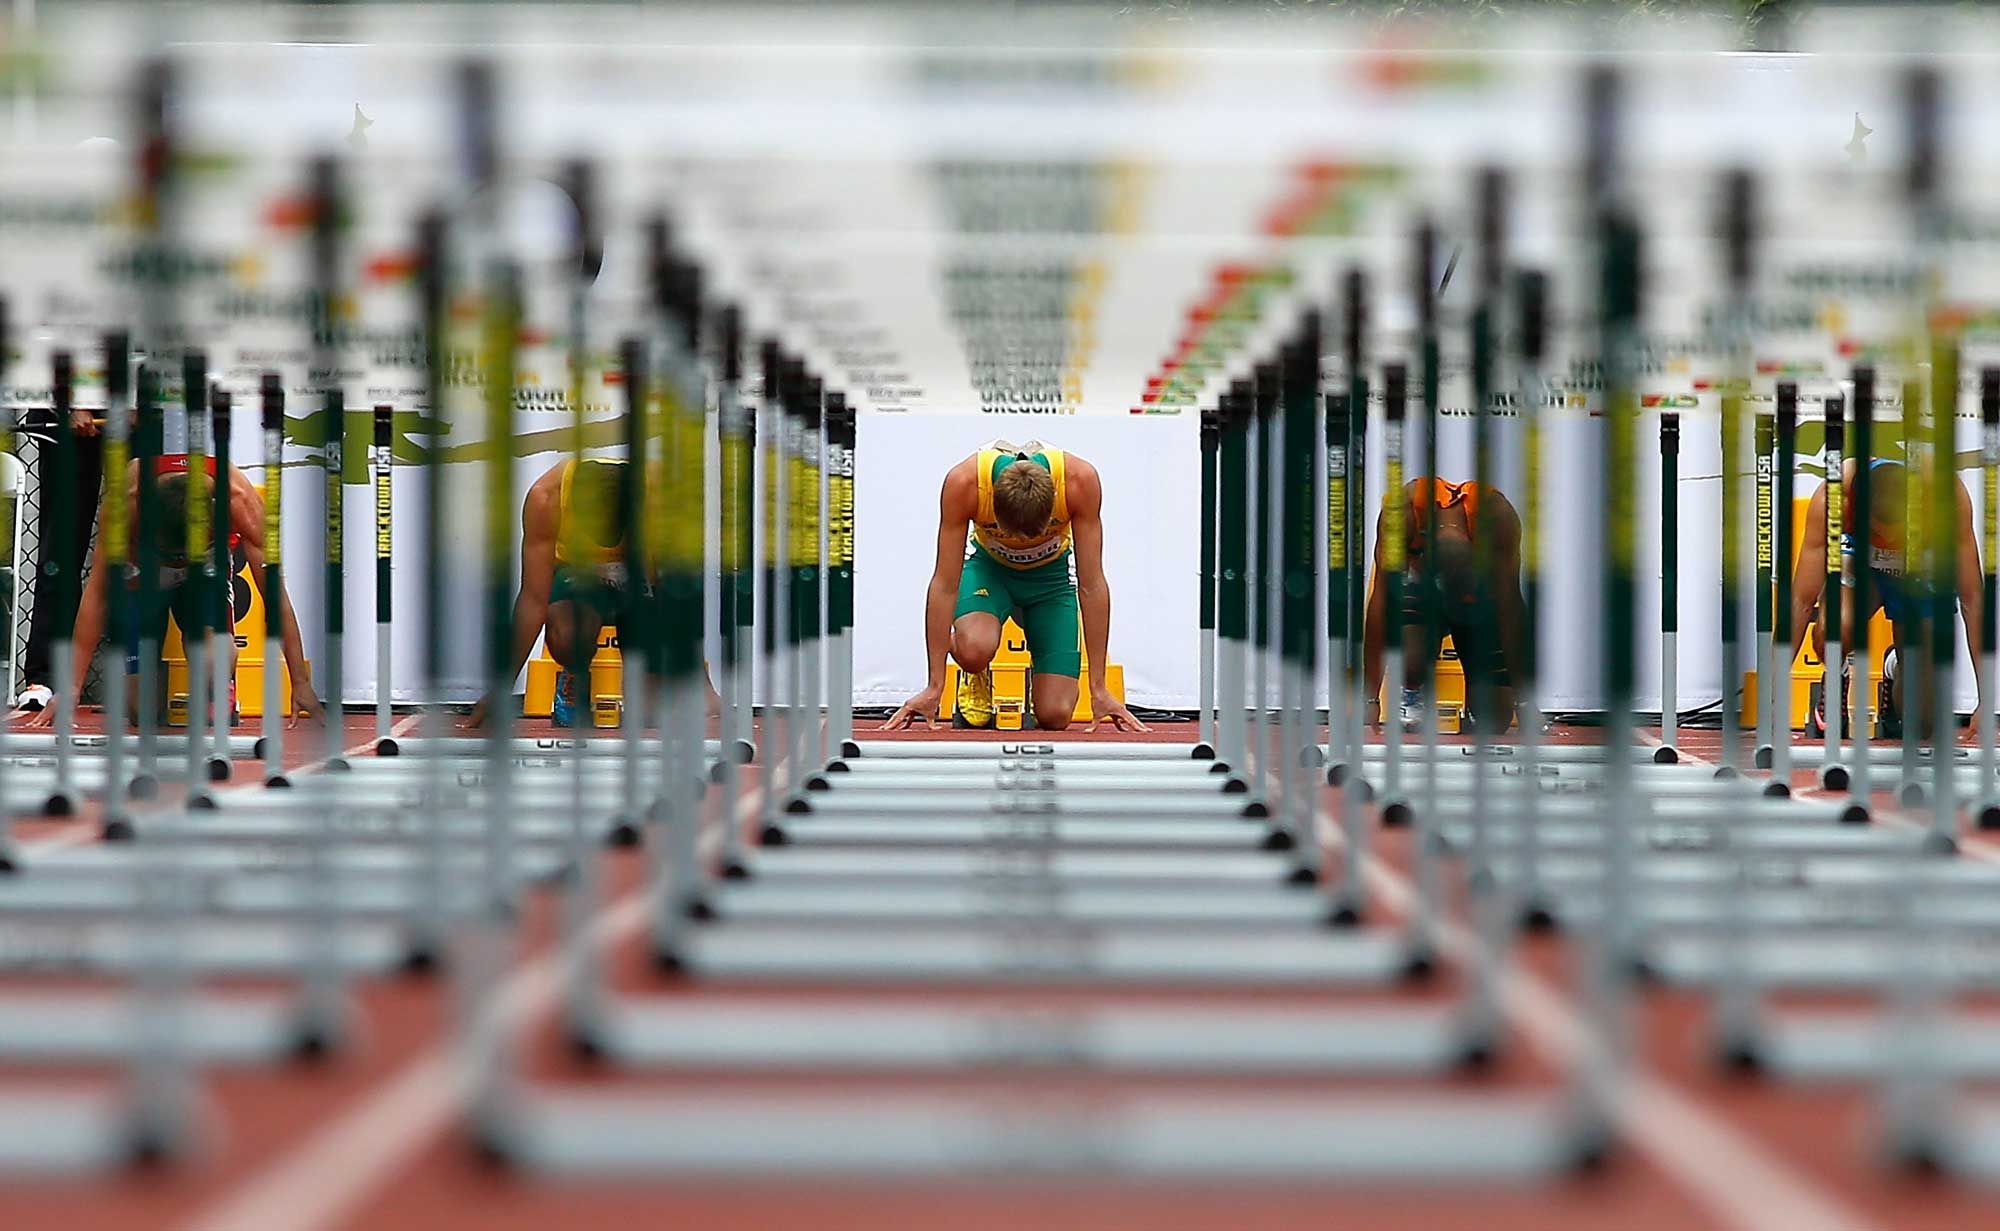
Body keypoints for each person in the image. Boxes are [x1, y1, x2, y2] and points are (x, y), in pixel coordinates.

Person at [27, 452, 323, 728]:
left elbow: (274, 596)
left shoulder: (239, 500)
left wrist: (300, 681)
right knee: (140, 711)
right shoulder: (125, 504)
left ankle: (215, 690)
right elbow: (97, 595)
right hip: (144, 569)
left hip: (204, 567)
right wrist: (71, 688)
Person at [885, 440, 1147, 732]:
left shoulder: (1079, 481)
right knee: (975, 648)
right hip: (990, 573)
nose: (1022, 543)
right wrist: (934, 686)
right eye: (1014, 534)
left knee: (1056, 715)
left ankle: (1044, 673)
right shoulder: (965, 483)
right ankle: (976, 671)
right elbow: (945, 584)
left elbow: (1092, 584)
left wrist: (1099, 688)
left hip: (1050, 581)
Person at [468, 455, 717, 728]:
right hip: (578, 574)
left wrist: (702, 685)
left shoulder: (659, 502)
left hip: (635, 573)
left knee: (649, 713)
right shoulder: (547, 498)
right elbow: (532, 600)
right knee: (568, 634)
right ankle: (574, 679)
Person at [1788, 456, 1985, 736]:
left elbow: (1973, 600)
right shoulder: (1836, 497)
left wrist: (1985, 698)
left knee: (1923, 722)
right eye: (1878, 534)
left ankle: (1894, 667)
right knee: (1834, 626)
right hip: (1859, 567)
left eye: (1895, 536)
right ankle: (1838, 671)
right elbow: (1801, 601)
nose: (1887, 543)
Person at [1362, 476, 1528, 733]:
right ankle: (1411, 692)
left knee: (1495, 720)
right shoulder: (1401, 513)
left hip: (1477, 602)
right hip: (1423, 598)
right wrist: (1370, 697)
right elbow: (1381, 604)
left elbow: (1511, 609)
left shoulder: (1498, 518)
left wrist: (1524, 699)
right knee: (1407, 624)